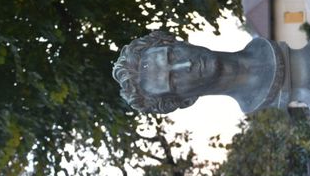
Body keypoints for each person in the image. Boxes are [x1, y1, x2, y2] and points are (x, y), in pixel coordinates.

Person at [112, 31, 283, 114]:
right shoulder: (260, 102)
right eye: (173, 80)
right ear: (186, 101)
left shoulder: (262, 46)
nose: (186, 65)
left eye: (172, 56)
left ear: (176, 42)